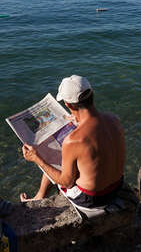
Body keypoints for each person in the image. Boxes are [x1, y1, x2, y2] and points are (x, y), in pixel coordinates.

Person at [20, 75, 126, 210]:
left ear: (68, 104)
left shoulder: (73, 140)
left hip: (94, 199)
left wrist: (36, 158)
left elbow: (67, 182)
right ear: (91, 93)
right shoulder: (114, 119)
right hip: (117, 187)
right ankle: (40, 196)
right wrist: (79, 122)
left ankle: (39, 197)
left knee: (50, 158)